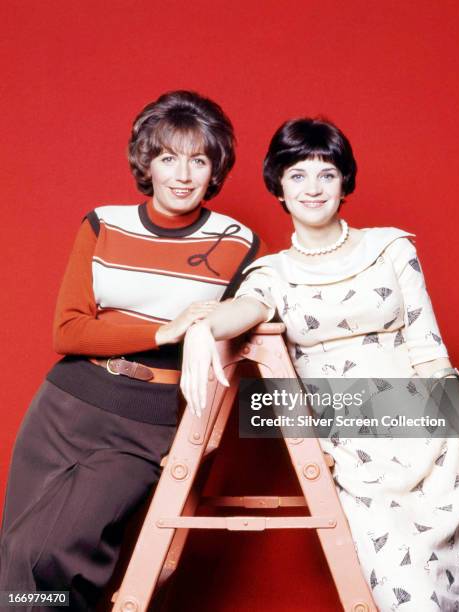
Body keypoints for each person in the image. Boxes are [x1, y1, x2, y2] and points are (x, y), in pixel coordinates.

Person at [180, 117, 459, 611]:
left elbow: (431, 353)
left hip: (436, 448)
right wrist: (204, 327)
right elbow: (245, 310)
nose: (313, 187)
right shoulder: (271, 274)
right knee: (404, 599)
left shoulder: (392, 248)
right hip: (356, 459)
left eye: (327, 173)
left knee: (457, 599)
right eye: (298, 174)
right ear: (278, 186)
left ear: (345, 180)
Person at [0, 90, 265, 611]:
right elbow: (69, 332)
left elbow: (251, 320)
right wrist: (164, 330)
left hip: (147, 422)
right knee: (13, 558)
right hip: (66, 406)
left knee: (48, 553)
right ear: (147, 162)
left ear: (216, 169)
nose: (183, 175)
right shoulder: (103, 223)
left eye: (199, 160)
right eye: (168, 158)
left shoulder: (238, 241)